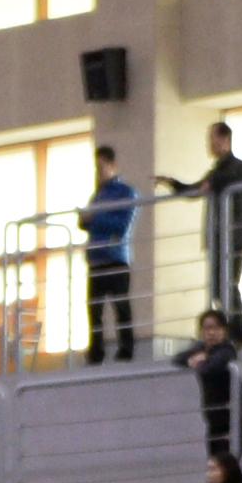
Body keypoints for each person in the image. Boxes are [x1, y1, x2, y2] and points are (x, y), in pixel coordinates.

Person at [162, 120, 242, 332]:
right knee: (217, 288)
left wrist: (213, 183)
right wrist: (172, 183)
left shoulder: (241, 167)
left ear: (224, 140)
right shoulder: (216, 171)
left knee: (228, 283)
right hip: (218, 235)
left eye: (212, 139)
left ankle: (238, 332)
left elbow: (228, 182)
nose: (209, 145)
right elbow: (195, 190)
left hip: (234, 234)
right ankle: (230, 329)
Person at [80, 145, 139, 362]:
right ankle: (96, 351)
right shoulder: (98, 195)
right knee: (94, 310)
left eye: (101, 168)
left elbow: (122, 225)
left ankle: (126, 349)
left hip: (115, 257)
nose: (98, 173)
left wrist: (94, 217)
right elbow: (87, 223)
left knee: (120, 306)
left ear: (113, 166)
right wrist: (87, 218)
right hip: (96, 259)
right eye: (96, 169)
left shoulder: (126, 192)